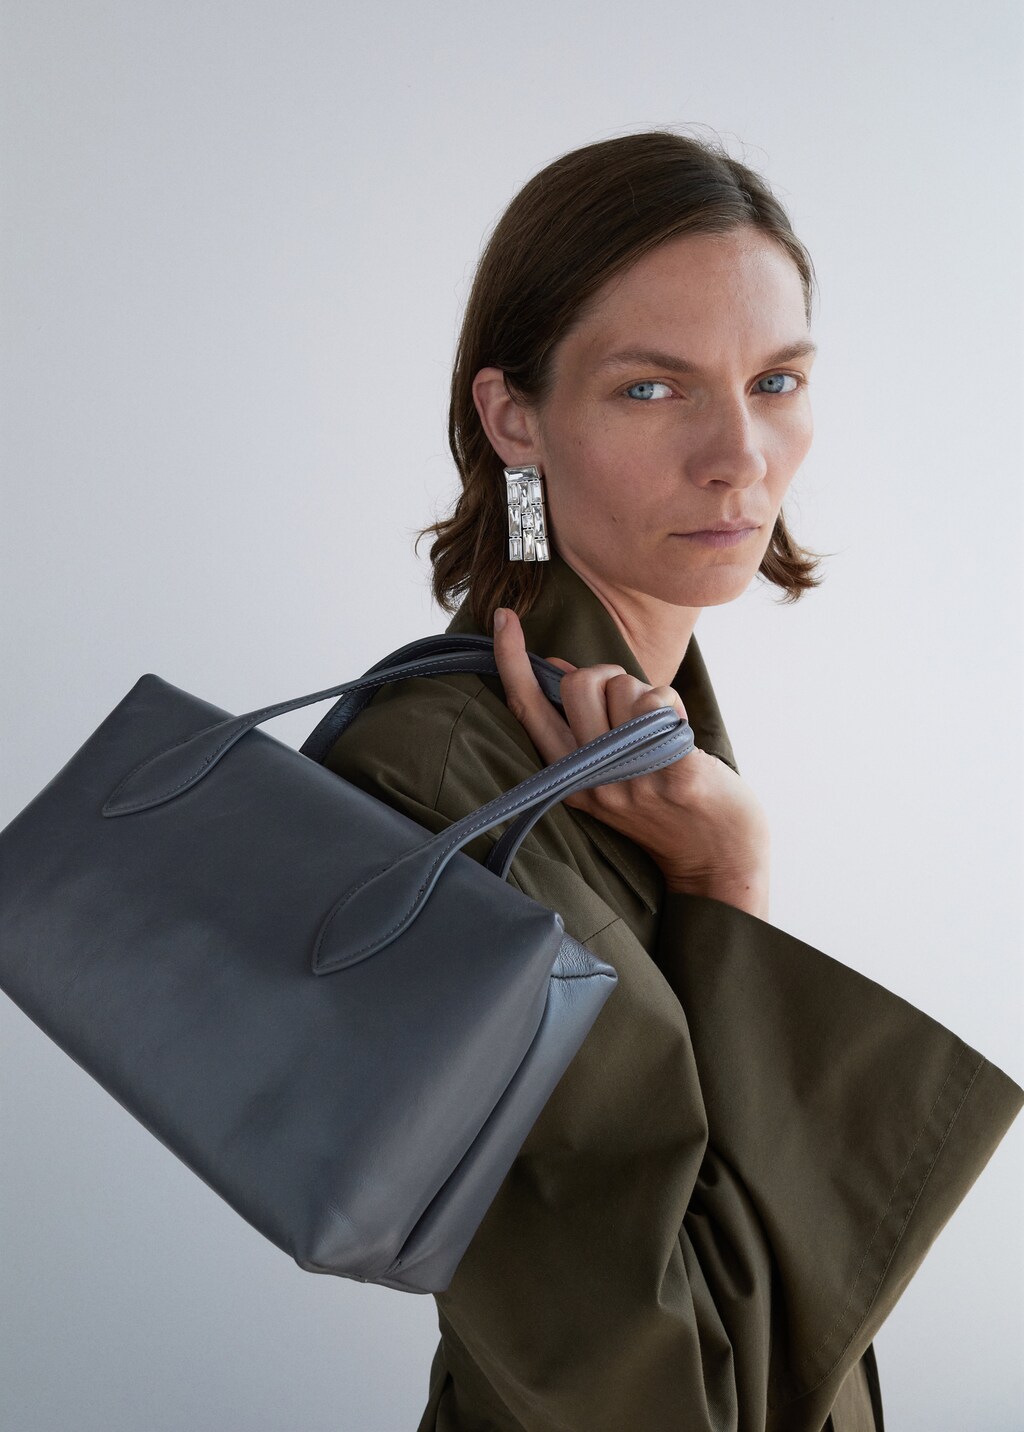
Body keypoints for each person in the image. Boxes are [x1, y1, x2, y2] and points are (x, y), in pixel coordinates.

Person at [324, 131, 1023, 1432]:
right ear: (514, 417)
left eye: (775, 380)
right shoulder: (444, 786)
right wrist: (728, 888)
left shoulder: (643, 732)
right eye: (651, 388)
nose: (739, 454)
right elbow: (677, 1383)